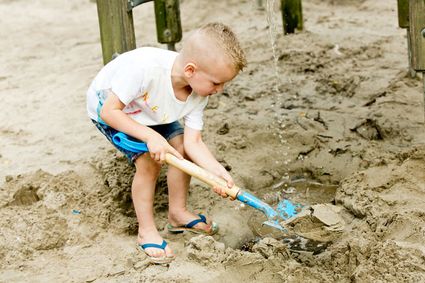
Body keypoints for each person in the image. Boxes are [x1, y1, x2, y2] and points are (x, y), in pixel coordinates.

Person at [86, 22, 247, 264]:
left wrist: (217, 172)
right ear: (191, 70)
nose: (220, 90)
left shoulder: (197, 92)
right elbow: (109, 112)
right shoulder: (145, 69)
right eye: (216, 83)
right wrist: (151, 137)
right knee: (150, 161)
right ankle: (146, 231)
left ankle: (177, 213)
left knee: (181, 148)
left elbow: (194, 142)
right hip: (114, 109)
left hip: (154, 112)